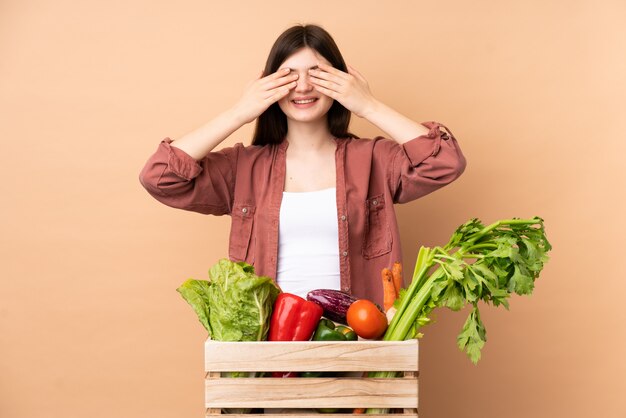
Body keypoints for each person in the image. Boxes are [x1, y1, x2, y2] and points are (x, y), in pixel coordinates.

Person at [139, 24, 466, 305]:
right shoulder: (243, 168)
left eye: (318, 74)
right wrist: (240, 112)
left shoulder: (374, 160)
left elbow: (445, 161)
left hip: (359, 344)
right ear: (268, 86)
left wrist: (368, 105)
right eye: (288, 76)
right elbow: (160, 176)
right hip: (269, 349)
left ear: (341, 82)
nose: (304, 86)